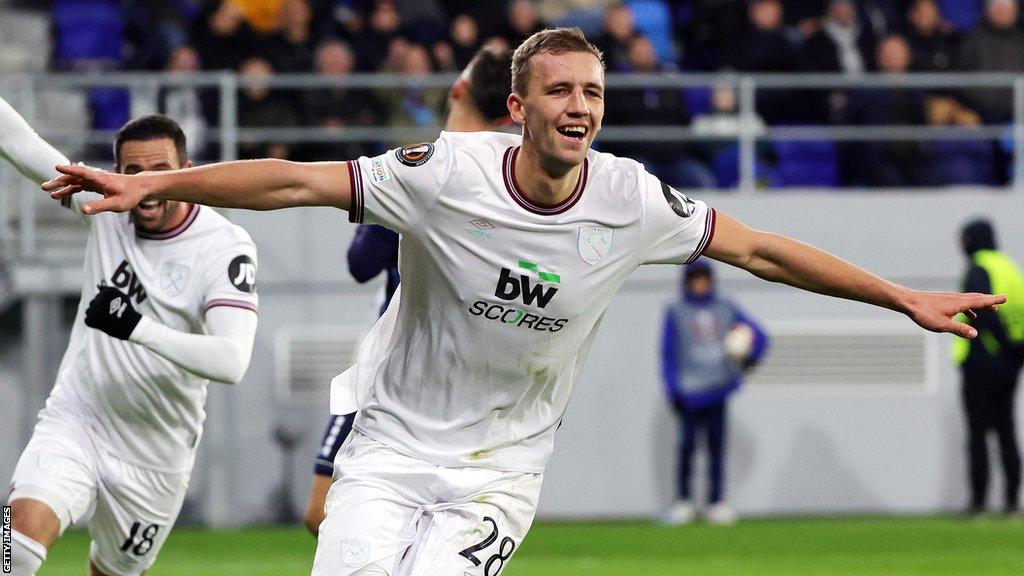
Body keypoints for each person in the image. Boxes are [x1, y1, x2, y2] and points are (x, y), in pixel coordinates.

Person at [44, 28, 1004, 576]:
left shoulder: (632, 199)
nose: (581, 107)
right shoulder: (441, 173)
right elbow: (296, 181)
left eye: (593, 91)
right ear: (518, 107)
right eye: (560, 92)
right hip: (386, 446)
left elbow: (758, 249)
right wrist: (159, 187)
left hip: (499, 470)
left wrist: (900, 298)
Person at [0, 104, 259, 576]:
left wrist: (135, 326)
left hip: (156, 453)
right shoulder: (103, 206)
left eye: (160, 172)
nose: (144, 184)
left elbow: (232, 361)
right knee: (11, 542)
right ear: (116, 173)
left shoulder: (224, 245)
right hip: (77, 418)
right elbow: (19, 141)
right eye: (132, 172)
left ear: (188, 173)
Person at [301, 45, 516, 536]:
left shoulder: (420, 171)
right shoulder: (514, 181)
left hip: (396, 372)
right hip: (478, 379)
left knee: (327, 513)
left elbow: (360, 264)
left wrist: (393, 220)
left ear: (457, 89)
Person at [661, 260, 767, 526]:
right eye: (694, 279)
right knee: (686, 448)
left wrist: (749, 356)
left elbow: (759, 336)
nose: (699, 284)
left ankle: (716, 502)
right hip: (688, 390)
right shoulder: (676, 310)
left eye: (703, 278)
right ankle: (683, 501)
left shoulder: (725, 307)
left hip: (718, 386)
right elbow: (668, 352)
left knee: (716, 448)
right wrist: (673, 388)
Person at [953, 219, 1024, 516]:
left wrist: (1000, 346)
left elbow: (982, 312)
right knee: (1006, 430)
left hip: (984, 360)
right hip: (1012, 362)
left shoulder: (979, 267)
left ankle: (978, 503)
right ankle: (1010, 502)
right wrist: (1014, 354)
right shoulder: (1011, 268)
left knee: (978, 432)